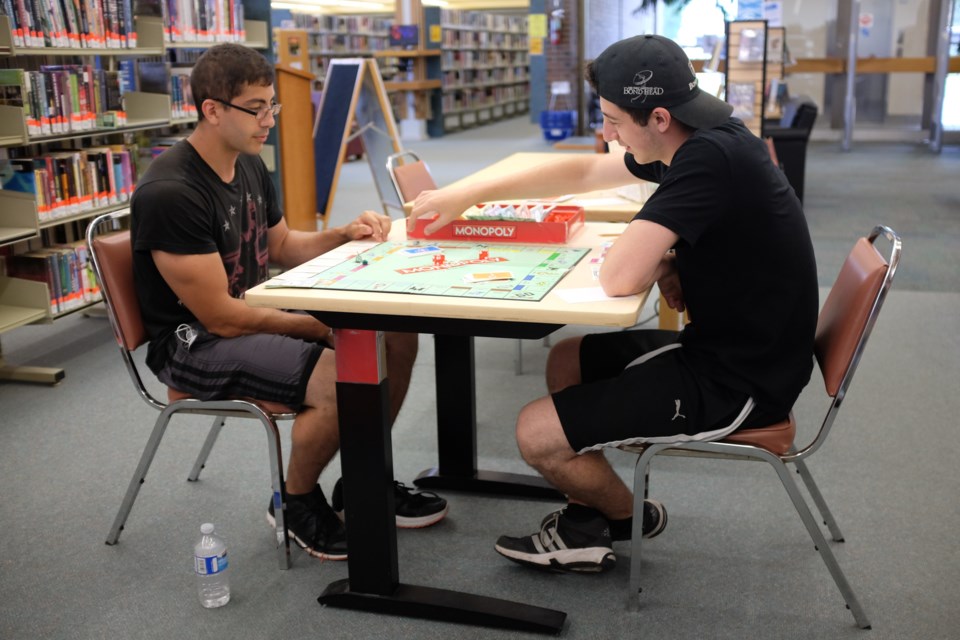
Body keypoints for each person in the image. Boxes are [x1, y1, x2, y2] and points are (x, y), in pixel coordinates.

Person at [409, 34, 818, 573]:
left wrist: (656, 249)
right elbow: (580, 173)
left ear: (660, 117)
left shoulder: (706, 162)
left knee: (533, 432)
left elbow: (620, 278)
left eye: (614, 120)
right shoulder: (704, 140)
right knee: (567, 359)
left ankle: (627, 516)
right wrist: (460, 196)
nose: (607, 134)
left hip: (741, 382)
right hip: (736, 348)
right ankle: (586, 517)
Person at [130, 44, 447, 562]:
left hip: (251, 313)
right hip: (195, 343)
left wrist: (342, 234)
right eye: (257, 108)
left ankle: (365, 480)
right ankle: (294, 501)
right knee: (339, 370)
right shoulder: (172, 192)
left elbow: (280, 246)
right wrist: (316, 329)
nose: (269, 120)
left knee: (396, 332)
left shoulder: (248, 163)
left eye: (271, 106)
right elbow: (220, 316)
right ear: (212, 110)